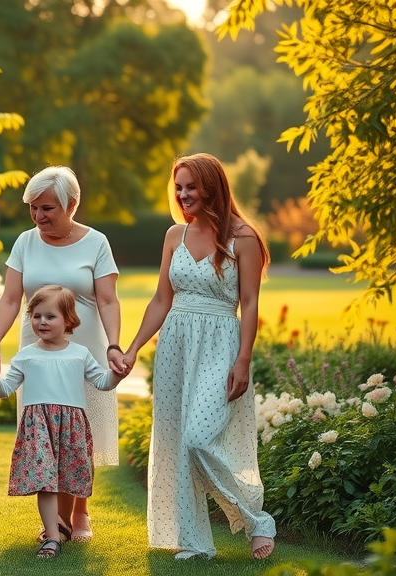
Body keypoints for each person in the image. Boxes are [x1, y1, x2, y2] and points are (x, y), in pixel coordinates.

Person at [119, 153, 276, 560]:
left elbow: (251, 303)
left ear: (212, 186)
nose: (183, 194)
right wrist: (134, 348)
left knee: (197, 438)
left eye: (191, 186)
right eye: (179, 187)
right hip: (175, 345)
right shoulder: (175, 236)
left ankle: (256, 519)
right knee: (175, 439)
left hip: (221, 346)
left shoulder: (244, 238)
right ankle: (194, 541)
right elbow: (160, 300)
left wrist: (242, 359)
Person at [0, 165, 126, 542]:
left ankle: (79, 511)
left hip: (86, 346)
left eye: (47, 208)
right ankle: (54, 523)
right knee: (44, 431)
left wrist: (113, 344)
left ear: (72, 204)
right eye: (33, 207)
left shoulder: (96, 242)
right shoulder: (25, 242)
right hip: (37, 346)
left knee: (80, 431)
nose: (38, 216)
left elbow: (109, 300)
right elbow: (11, 298)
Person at [0, 285, 124, 558]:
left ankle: (63, 526)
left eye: (50, 316)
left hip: (71, 427)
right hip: (38, 427)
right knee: (45, 480)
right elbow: (4, 390)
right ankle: (53, 537)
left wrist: (117, 374)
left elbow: (103, 383)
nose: (42, 322)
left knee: (67, 478)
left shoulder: (79, 354)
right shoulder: (26, 355)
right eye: (36, 316)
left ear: (69, 320)